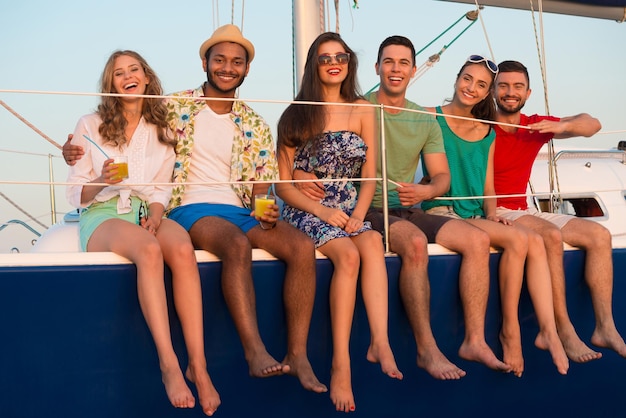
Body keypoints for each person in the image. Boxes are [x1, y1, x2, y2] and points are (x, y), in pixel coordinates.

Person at [63, 25, 326, 395]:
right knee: (235, 244)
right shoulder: (172, 107)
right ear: (205, 62)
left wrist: (266, 210)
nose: (227, 68)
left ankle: (298, 355)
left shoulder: (255, 123)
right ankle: (254, 351)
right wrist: (70, 149)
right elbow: (117, 121)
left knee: (300, 247)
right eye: (219, 60)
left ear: (247, 69)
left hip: (239, 210)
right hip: (189, 207)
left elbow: (262, 185)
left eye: (237, 62)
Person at [295, 35, 510, 378]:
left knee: (477, 241)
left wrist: (424, 193)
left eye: (404, 63)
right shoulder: (356, 107)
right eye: (389, 62)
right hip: (364, 208)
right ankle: (427, 349)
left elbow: (441, 177)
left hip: (410, 206)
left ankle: (474, 340)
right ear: (377, 67)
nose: (396, 69)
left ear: (412, 70)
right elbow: (314, 151)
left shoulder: (423, 119)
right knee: (413, 243)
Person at [65, 50, 220, 415]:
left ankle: (198, 364)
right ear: (112, 85)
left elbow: (160, 189)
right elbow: (74, 193)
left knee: (181, 248)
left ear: (147, 77)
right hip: (101, 213)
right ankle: (168, 363)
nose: (128, 76)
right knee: (150, 251)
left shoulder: (160, 129)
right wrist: (101, 179)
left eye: (134, 69)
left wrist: (153, 214)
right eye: (119, 73)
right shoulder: (89, 124)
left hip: (143, 210)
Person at [276, 32, 402, 413]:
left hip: (350, 209)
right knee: (347, 256)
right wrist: (323, 212)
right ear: (313, 65)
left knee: (372, 246)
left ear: (350, 63)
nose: (334, 62)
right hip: (307, 209)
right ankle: (340, 365)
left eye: (342, 56)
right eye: (324, 57)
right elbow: (283, 185)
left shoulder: (365, 109)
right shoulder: (295, 113)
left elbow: (369, 175)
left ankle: (380, 341)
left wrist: (360, 215)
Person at [421, 56, 568, 377]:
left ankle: (541, 331)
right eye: (467, 79)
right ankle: (511, 335)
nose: (471, 88)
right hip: (441, 210)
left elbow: (487, 186)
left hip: (475, 213)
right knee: (519, 239)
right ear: (456, 79)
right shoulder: (429, 117)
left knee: (528, 239)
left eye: (481, 85)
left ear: (488, 93)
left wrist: (493, 214)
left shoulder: (486, 131)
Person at [493, 59, 626, 362]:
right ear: (493, 90)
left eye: (517, 87)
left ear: (527, 93)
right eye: (503, 86)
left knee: (599, 235)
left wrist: (562, 126)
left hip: (522, 207)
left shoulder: (533, 125)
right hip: (496, 209)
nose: (509, 92)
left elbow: (593, 124)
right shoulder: (481, 124)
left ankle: (604, 326)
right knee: (551, 236)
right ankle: (562, 329)